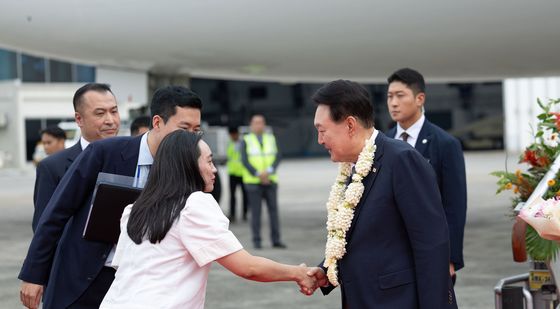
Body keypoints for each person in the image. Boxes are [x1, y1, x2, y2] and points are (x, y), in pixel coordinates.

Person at [19, 85, 202, 309]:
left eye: (196, 130)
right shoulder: (105, 153)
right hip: (81, 282)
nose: (191, 138)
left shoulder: (186, 167)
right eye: (184, 128)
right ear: (157, 123)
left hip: (138, 286)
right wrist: (34, 274)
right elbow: (56, 213)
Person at [100, 130, 316, 308]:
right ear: (189, 166)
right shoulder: (193, 204)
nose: (214, 170)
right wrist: (298, 273)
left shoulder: (133, 209)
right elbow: (248, 267)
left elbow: (123, 269)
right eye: (209, 161)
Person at [306, 80, 457, 308]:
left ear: (349, 125)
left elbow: (431, 245)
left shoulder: (401, 160)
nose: (320, 140)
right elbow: (365, 238)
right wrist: (326, 270)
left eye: (322, 131)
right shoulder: (355, 166)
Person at [385, 68, 467, 282]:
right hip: (391, 253)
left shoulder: (445, 144)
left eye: (400, 96)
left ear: (420, 98)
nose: (393, 103)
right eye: (390, 96)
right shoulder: (382, 142)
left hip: (431, 250)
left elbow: (455, 207)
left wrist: (450, 258)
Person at [32, 83, 120, 232]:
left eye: (114, 111)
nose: (110, 120)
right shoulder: (52, 167)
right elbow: (43, 229)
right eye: (100, 113)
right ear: (79, 119)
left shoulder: (133, 158)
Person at [241, 114, 286, 249]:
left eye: (261, 122)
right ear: (251, 125)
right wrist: (258, 174)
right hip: (253, 182)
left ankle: (276, 240)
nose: (258, 125)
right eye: (255, 123)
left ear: (264, 124)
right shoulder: (246, 140)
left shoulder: (271, 138)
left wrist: (269, 171)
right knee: (256, 212)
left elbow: (278, 156)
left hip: (270, 180)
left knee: (273, 212)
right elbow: (244, 160)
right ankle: (257, 241)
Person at [226, 126, 248, 222]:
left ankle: (245, 214)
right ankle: (232, 214)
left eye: (233, 135)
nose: (232, 136)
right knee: (232, 195)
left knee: (245, 195)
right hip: (232, 173)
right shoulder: (229, 144)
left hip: (243, 173)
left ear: (237, 134)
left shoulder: (243, 143)